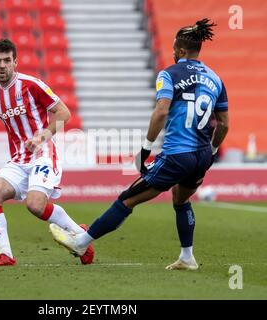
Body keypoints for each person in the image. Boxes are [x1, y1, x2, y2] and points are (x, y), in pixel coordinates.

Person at [50, 19, 229, 270]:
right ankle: (187, 257)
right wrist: (211, 151)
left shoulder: (169, 74)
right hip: (201, 156)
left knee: (127, 199)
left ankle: (81, 241)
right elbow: (223, 125)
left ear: (179, 50)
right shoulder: (216, 79)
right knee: (180, 199)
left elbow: (161, 111)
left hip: (177, 154)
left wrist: (146, 147)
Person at [0, 39, 94, 266]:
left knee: (35, 205)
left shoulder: (31, 85)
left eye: (7, 60)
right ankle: (6, 255)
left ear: (15, 62)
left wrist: (41, 137)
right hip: (18, 160)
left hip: (43, 153)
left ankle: (81, 237)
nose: (3, 66)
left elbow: (64, 113)